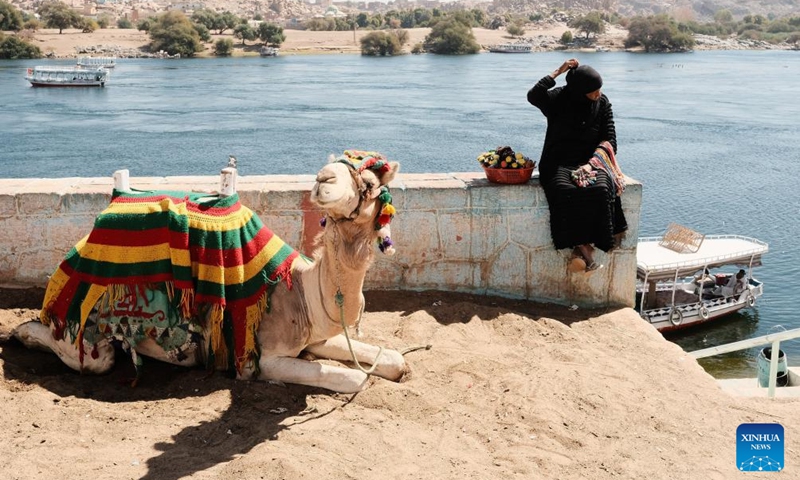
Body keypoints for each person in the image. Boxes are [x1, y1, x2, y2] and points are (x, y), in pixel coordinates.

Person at [527, 59, 627, 273]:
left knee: (600, 190)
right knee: (564, 190)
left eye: (600, 90)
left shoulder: (603, 103)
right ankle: (583, 248)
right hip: (557, 162)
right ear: (579, 90)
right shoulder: (557, 99)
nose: (597, 95)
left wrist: (592, 165)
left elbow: (610, 140)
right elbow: (533, 95)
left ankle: (586, 248)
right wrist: (558, 71)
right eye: (592, 91)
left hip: (591, 162)